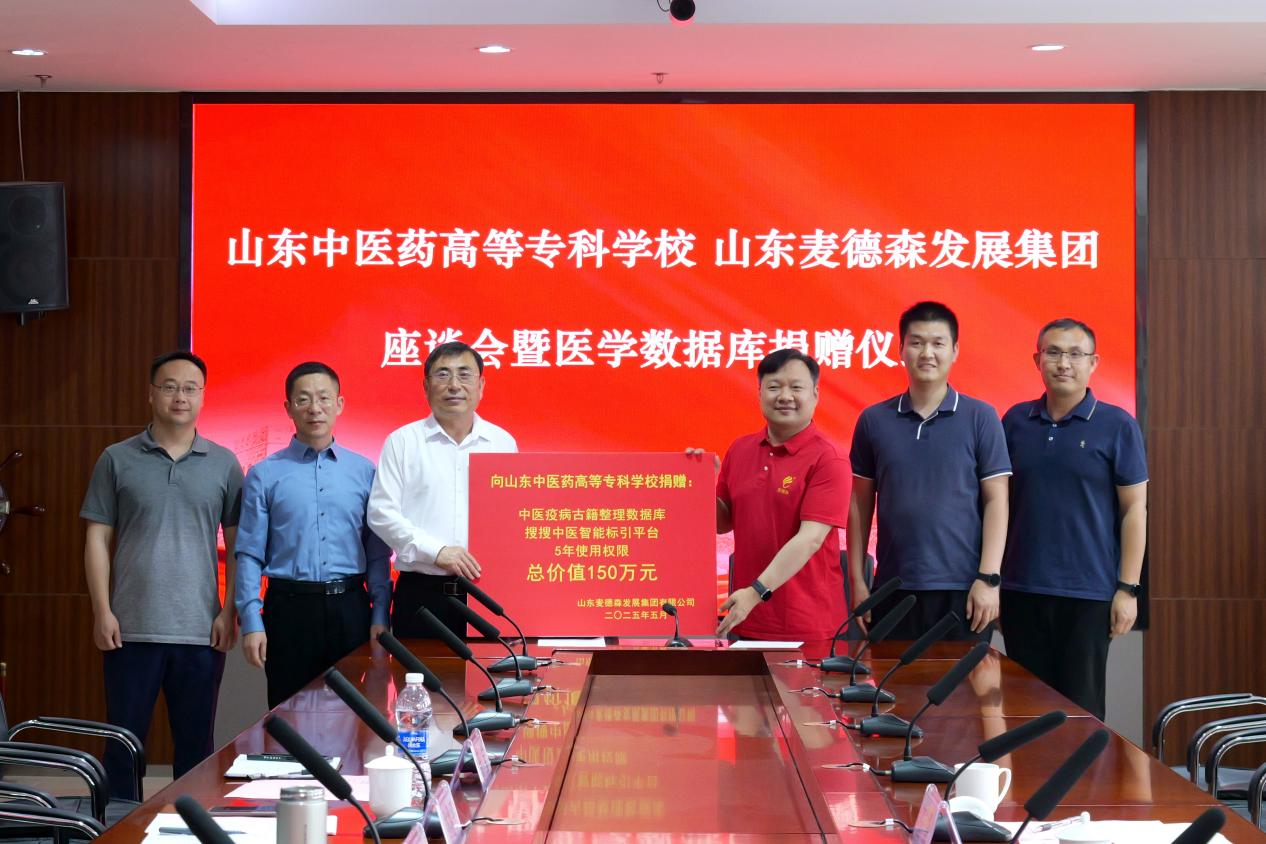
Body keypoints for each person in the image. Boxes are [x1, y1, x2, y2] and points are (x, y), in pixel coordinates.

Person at [81, 351, 243, 797]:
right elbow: (96, 539)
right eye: (169, 386)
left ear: (203, 397)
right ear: (151, 394)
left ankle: (192, 825)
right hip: (130, 627)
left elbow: (238, 546)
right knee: (123, 744)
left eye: (190, 388)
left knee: (196, 745)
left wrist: (229, 611)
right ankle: (119, 824)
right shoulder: (116, 459)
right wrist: (102, 611)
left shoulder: (224, 463)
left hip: (200, 630)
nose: (180, 396)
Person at [1000, 318, 1147, 720]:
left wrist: (1128, 589)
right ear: (1037, 360)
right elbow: (996, 505)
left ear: (1093, 362)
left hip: (1088, 594)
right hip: (1021, 589)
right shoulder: (1015, 422)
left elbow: (1134, 510)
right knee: (1024, 712)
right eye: (1054, 353)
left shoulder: (1117, 425)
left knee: (1081, 714)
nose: (1064, 363)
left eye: (1075, 354)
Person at [848, 301, 1011, 641]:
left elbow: (997, 501)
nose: (927, 353)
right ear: (901, 350)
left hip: (963, 590)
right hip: (892, 587)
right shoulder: (874, 420)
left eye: (938, 343)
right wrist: (858, 582)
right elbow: (859, 505)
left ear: (955, 351)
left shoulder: (981, 417)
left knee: (963, 678)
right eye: (917, 342)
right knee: (892, 676)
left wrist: (989, 579)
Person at [234, 362, 392, 709]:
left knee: (354, 716)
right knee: (288, 715)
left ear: (339, 404)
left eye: (323, 398)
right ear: (288, 408)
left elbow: (377, 552)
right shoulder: (264, 474)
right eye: (303, 399)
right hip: (289, 610)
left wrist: (380, 612)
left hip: (351, 608)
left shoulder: (365, 471)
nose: (314, 408)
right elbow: (249, 553)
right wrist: (251, 620)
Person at [368, 341, 517, 638]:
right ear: (426, 386)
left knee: (492, 669)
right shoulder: (403, 442)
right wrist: (437, 551)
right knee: (420, 670)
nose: (454, 385)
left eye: (464, 374)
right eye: (443, 374)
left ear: (481, 385)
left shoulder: (502, 443)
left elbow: (512, 517)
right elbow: (381, 513)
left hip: (487, 593)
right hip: (423, 595)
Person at [712, 349, 849, 642]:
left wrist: (756, 592)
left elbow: (810, 539)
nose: (785, 396)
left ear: (815, 394)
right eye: (774, 387)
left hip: (806, 622)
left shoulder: (829, 458)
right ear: (760, 393)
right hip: (745, 616)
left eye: (796, 387)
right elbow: (721, 523)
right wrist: (697, 484)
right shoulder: (740, 449)